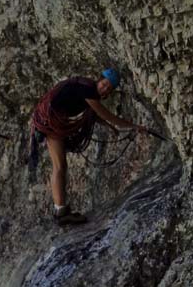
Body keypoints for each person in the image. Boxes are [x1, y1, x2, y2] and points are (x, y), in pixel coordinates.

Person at [30, 69, 148, 226]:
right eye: (104, 84)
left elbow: (96, 114)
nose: (105, 88)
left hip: (49, 121)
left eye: (109, 88)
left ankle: (60, 210)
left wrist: (108, 127)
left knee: (60, 166)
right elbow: (107, 115)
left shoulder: (86, 88)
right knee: (59, 166)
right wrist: (134, 126)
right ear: (99, 80)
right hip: (51, 123)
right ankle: (60, 213)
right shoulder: (88, 90)